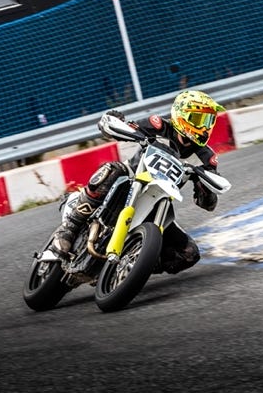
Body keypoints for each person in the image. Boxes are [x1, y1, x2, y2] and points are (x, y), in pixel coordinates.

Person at [50, 89, 225, 274]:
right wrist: (115, 120)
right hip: (131, 178)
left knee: (189, 254)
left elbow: (208, 204)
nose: (204, 127)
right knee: (113, 170)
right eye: (198, 119)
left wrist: (204, 188)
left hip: (158, 201)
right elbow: (124, 129)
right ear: (181, 114)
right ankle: (69, 229)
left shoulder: (207, 157)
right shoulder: (158, 126)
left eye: (208, 121)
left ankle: (134, 265)